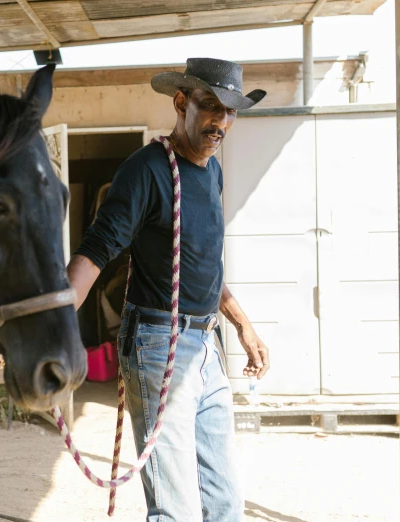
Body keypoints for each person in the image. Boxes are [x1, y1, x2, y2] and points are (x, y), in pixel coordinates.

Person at [67, 58, 271, 522]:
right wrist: (52, 326)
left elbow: (201, 265)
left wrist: (243, 326)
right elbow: (96, 250)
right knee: (176, 510)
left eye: (231, 111)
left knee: (224, 505)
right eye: (211, 106)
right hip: (159, 344)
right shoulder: (146, 170)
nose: (221, 121)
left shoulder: (212, 173)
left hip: (207, 346)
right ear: (182, 103)